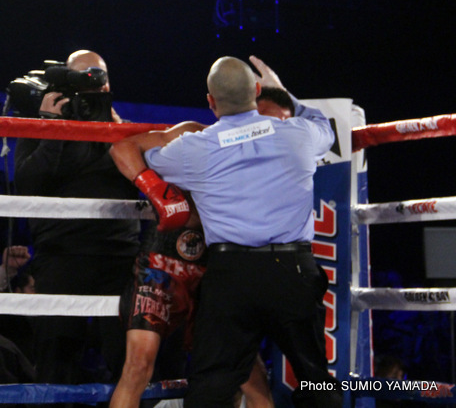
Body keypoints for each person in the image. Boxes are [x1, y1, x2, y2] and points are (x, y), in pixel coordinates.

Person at [109, 55, 341, 407]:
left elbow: (137, 154)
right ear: (258, 90)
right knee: (315, 379)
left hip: (232, 275)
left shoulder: (194, 148)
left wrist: (159, 194)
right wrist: (284, 92)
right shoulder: (300, 134)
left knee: (213, 385)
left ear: (210, 102)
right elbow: (322, 124)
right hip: (293, 272)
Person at [14, 50, 141, 396]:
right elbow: (26, 185)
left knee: (127, 359)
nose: (91, 83)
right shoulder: (41, 124)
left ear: (108, 82)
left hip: (119, 258)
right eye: (82, 76)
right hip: (61, 255)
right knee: (55, 359)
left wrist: (117, 131)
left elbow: (144, 182)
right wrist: (55, 129)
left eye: (97, 76)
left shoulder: (126, 131)